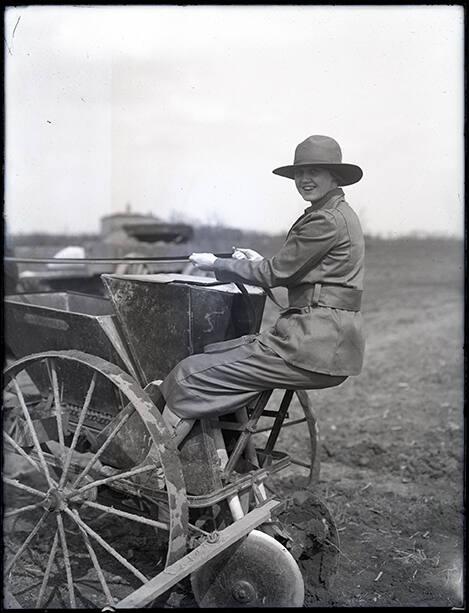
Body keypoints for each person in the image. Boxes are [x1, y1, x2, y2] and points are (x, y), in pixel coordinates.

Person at [160, 134, 365, 443]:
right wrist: (257, 262)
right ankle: (214, 459)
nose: (304, 179)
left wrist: (216, 263)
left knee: (188, 375)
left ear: (334, 176)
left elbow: (275, 273)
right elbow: (298, 272)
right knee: (217, 357)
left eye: (314, 172)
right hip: (328, 342)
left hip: (311, 343)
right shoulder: (339, 215)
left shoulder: (325, 220)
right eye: (299, 173)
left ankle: (151, 471)